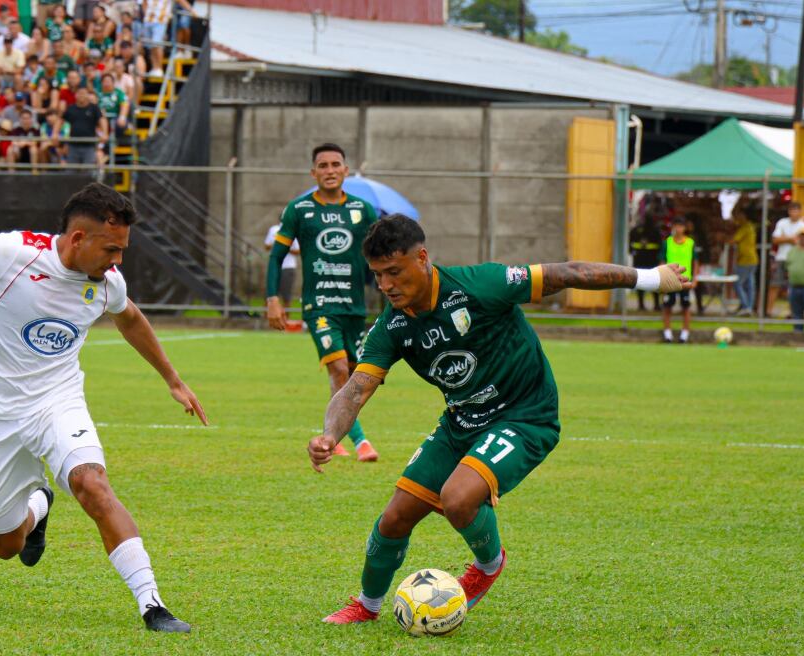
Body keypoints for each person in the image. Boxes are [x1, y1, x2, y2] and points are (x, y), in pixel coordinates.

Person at [314, 215, 691, 624]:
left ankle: (487, 567)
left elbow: (568, 273)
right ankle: (367, 608)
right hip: (461, 421)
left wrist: (651, 278)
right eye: (377, 276)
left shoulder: (480, 285)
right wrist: (329, 435)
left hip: (526, 415)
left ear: (421, 258)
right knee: (394, 517)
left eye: (394, 272)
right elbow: (355, 389)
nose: (385, 285)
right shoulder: (392, 326)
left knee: (458, 499)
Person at [0, 182, 203, 633]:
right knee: (6, 545)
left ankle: (152, 604)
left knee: (93, 485)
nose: (118, 261)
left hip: (56, 403)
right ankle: (39, 504)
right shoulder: (11, 251)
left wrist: (173, 380)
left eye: (123, 249)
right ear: (78, 238)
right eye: (111, 249)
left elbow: (132, 319)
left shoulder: (107, 284)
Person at [266, 143, 380, 462]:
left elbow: (379, 254)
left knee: (357, 376)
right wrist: (273, 298)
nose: (329, 171)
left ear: (345, 170)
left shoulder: (363, 211)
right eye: (323, 165)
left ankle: (337, 432)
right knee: (339, 368)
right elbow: (276, 256)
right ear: (313, 172)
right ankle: (356, 441)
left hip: (354, 308)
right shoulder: (299, 210)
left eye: (335, 165)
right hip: (320, 306)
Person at [768, 202, 804, 317]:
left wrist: (784, 238)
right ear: (788, 211)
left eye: (796, 210)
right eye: (792, 210)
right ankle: (768, 312)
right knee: (775, 284)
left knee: (793, 286)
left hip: (796, 260)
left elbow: (802, 242)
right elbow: (775, 240)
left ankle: (792, 312)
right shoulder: (782, 222)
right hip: (781, 257)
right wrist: (790, 239)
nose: (794, 213)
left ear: (800, 212)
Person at [660, 217, 694, 343]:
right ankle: (667, 334)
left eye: (681, 226)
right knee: (667, 306)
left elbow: (695, 261)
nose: (678, 229)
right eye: (676, 226)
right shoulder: (667, 242)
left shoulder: (690, 243)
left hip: (685, 280)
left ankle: (684, 334)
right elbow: (662, 260)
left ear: (685, 228)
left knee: (686, 306)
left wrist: (695, 279)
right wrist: (661, 277)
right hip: (670, 279)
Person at [62, 87, 105, 166]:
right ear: (76, 95)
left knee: (88, 171)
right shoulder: (71, 108)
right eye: (79, 93)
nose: (82, 95)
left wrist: (105, 133)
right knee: (71, 170)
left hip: (89, 145)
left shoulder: (94, 108)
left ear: (87, 95)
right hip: (73, 145)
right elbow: (60, 120)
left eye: (84, 93)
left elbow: (102, 120)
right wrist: (55, 132)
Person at [629, 213, 661, 311]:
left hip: (640, 260)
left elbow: (630, 245)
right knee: (653, 282)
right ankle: (655, 304)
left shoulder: (636, 230)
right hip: (650, 261)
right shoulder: (655, 231)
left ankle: (643, 304)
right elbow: (659, 245)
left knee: (641, 282)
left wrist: (633, 252)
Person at [730, 209, 758, 316]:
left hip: (745, 260)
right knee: (749, 285)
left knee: (738, 283)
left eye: (737, 216)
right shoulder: (750, 226)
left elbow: (734, 240)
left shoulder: (745, 227)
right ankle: (748, 307)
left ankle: (746, 306)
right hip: (752, 259)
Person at [264, 223, 300, 307]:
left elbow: (298, 251)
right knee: (269, 296)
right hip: (275, 266)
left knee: (286, 296)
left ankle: (286, 319)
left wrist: (284, 247)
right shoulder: (274, 230)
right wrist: (276, 246)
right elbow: (266, 246)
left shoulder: (293, 230)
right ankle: (266, 318)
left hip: (288, 267)